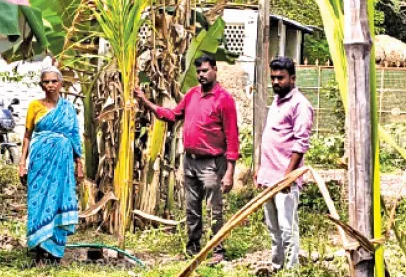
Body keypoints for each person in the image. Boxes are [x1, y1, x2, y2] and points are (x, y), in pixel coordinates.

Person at [134, 54, 239, 265]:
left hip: (212, 162)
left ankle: (218, 251)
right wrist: (145, 101)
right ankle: (192, 249)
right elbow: (173, 115)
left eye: (205, 71)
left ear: (215, 70)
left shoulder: (224, 99)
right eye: (198, 71)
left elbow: (232, 137)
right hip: (190, 161)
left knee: (213, 209)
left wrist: (229, 172)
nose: (201, 75)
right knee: (192, 208)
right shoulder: (192, 94)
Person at [18, 66, 84, 265]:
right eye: (46, 81)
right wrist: (22, 163)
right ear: (41, 85)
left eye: (54, 81)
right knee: (38, 201)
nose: (50, 85)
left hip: (62, 164)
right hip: (39, 162)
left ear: (61, 84)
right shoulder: (34, 106)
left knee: (59, 200)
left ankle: (55, 253)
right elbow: (27, 135)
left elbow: (75, 137)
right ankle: (39, 251)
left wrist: (79, 164)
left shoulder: (68, 109)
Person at [255, 56, 314, 271]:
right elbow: (270, 138)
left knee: (287, 228)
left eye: (281, 78)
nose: (276, 82)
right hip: (268, 177)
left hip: (285, 179)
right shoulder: (277, 101)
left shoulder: (300, 105)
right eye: (273, 78)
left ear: (292, 78)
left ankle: (291, 270)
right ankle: (277, 266)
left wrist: (288, 176)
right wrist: (260, 169)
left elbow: (301, 144)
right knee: (273, 228)